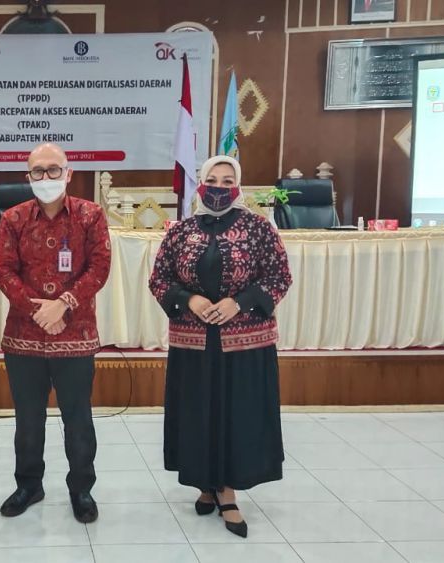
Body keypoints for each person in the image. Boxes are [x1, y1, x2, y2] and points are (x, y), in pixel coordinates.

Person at [148, 155, 291, 538]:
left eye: (228, 181)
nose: (219, 187)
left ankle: (228, 491)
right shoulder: (181, 231)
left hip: (244, 344)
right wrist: (189, 300)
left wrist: (239, 303)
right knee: (197, 412)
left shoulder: (258, 229)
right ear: (200, 184)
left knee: (236, 413)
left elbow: (279, 276)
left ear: (238, 186)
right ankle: (204, 483)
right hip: (193, 343)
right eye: (212, 179)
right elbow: (159, 279)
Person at [0, 142, 111, 523]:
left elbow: (100, 267)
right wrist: (37, 310)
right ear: (28, 176)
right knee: (28, 419)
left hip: (76, 333)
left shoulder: (91, 215)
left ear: (68, 173)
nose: (46, 177)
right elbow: (2, 270)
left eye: (53, 169)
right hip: (23, 336)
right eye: (38, 171)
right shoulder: (13, 218)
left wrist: (63, 304)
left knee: (78, 418)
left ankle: (82, 489)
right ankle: (29, 485)